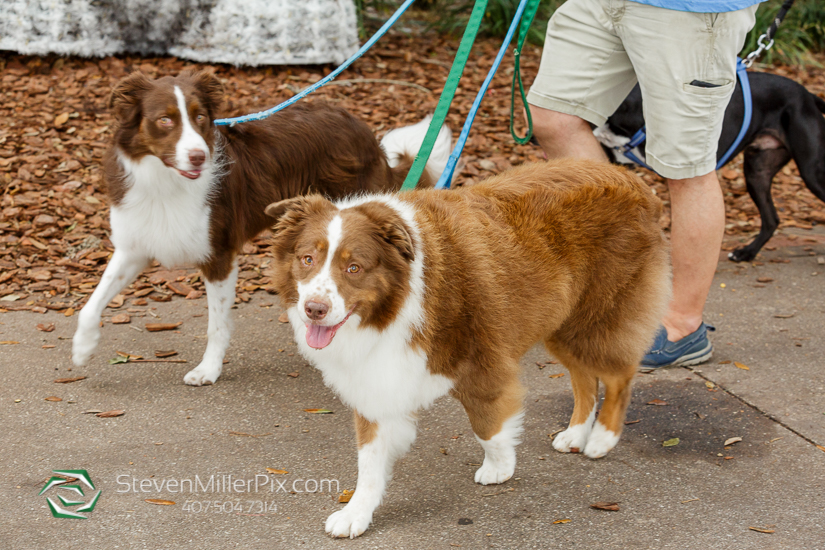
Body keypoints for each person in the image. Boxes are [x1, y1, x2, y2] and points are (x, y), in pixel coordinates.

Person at [526, 0, 762, 367]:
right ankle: (618, 289)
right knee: (554, 118)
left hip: (691, 11)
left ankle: (683, 325)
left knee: (686, 166)